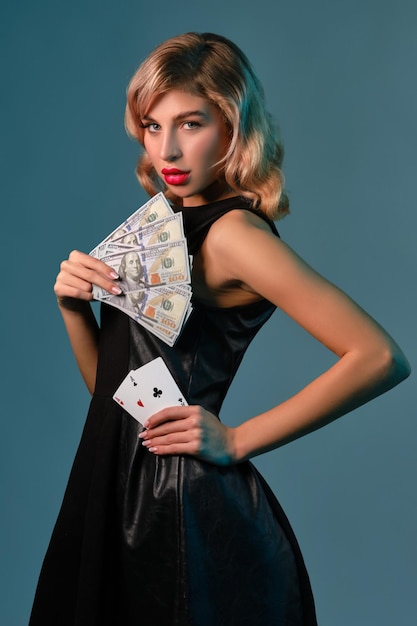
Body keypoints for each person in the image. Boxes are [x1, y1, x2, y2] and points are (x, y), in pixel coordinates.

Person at [30, 32, 410, 626]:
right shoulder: (167, 222)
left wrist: (236, 440)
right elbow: (118, 400)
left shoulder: (233, 236)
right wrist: (73, 308)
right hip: (121, 488)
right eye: (153, 127)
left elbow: (380, 356)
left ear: (232, 129)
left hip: (182, 512)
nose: (169, 151)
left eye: (191, 123)